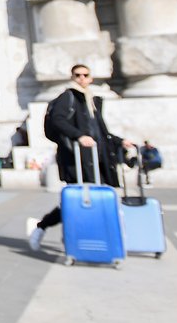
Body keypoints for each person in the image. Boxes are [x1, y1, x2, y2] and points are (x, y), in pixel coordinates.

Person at [27, 64, 134, 252]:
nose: (82, 78)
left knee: (94, 199)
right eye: (78, 75)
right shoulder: (68, 97)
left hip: (97, 158)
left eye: (86, 75)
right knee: (75, 199)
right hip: (76, 158)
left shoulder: (93, 100)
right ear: (72, 77)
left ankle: (91, 235)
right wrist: (78, 136)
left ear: (91, 78)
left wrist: (120, 141)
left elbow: (101, 131)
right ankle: (42, 226)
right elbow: (58, 120)